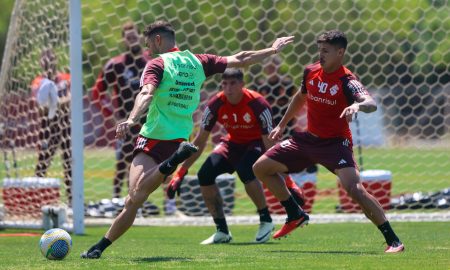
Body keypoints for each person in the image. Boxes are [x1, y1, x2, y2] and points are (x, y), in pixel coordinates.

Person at [81, 20, 294, 259]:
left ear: (158, 40)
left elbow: (146, 93)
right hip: (180, 139)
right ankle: (99, 247)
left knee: (135, 195)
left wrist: (131, 120)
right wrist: (273, 50)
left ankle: (167, 167)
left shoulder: (157, 63)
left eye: (149, 43)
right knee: (136, 198)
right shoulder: (198, 61)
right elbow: (241, 58)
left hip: (153, 136)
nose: (148, 49)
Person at [252, 30, 404, 253]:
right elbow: (299, 97)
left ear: (340, 52)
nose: (320, 55)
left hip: (336, 145)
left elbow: (370, 102)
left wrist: (357, 105)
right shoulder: (310, 72)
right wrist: (282, 125)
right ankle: (294, 213)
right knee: (261, 168)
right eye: (319, 50)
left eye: (326, 51)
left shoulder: (347, 81)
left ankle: (393, 240)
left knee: (355, 190)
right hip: (308, 141)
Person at [165, 68, 305, 244]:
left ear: (242, 85)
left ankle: (265, 220)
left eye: (232, 83)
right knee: (205, 174)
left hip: (256, 144)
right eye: (224, 84)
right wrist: (180, 173)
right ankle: (222, 231)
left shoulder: (258, 104)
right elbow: (199, 141)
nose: (228, 88)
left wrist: (289, 182)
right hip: (232, 144)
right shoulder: (214, 104)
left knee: (246, 170)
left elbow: (270, 145)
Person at [91, 22, 150, 199]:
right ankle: (116, 201)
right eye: (128, 37)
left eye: (134, 36)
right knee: (122, 163)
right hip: (126, 123)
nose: (132, 40)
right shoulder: (115, 65)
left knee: (156, 162)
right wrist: (111, 116)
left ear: (141, 37)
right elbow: (97, 92)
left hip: (151, 122)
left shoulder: (151, 62)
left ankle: (168, 206)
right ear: (124, 39)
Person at [31, 48, 72, 204]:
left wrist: (53, 103)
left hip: (66, 126)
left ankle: (71, 200)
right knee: (42, 162)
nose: (48, 62)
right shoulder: (37, 82)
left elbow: (71, 98)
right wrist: (57, 104)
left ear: (56, 60)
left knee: (69, 163)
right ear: (41, 62)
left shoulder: (66, 78)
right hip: (47, 126)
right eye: (45, 59)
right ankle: (34, 199)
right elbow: (40, 107)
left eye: (51, 58)